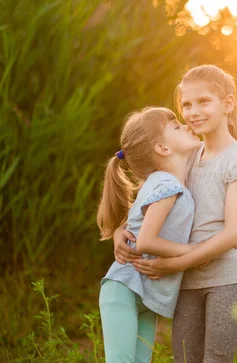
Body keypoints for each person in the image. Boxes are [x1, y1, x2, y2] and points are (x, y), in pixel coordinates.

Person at [114, 65, 237, 362]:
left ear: (228, 104)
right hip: (186, 281)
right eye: (187, 105)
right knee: (185, 358)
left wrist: (175, 262)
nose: (193, 112)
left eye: (204, 102)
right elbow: (150, 200)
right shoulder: (188, 156)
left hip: (225, 279)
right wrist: (121, 230)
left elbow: (232, 232)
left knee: (216, 359)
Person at [97, 107, 201, 362]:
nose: (187, 125)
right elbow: (146, 241)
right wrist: (196, 252)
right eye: (177, 127)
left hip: (145, 293)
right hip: (125, 287)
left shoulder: (162, 183)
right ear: (163, 149)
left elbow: (134, 223)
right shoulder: (167, 184)